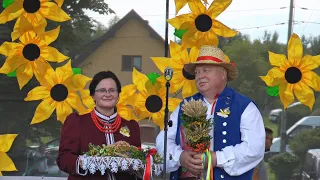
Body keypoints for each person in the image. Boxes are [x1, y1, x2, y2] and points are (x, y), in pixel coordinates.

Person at [156, 45, 266, 180]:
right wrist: (180, 156)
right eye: (197, 73)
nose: (200, 76)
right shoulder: (184, 106)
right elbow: (163, 140)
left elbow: (254, 148)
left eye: (206, 70)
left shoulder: (244, 106)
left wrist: (216, 158)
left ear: (223, 74)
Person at [57, 71, 142, 180]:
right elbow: (64, 159)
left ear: (118, 95)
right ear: (93, 95)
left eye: (112, 90)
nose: (107, 94)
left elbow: (138, 161)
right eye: (102, 90)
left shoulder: (131, 126)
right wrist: (85, 162)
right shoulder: (77, 122)